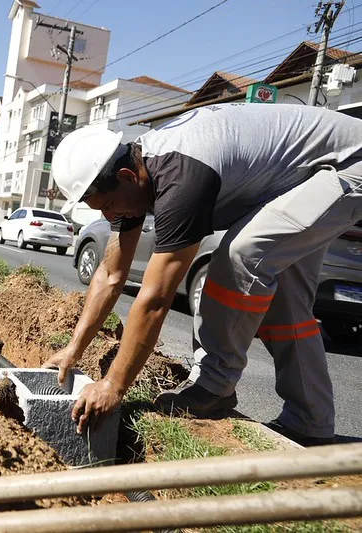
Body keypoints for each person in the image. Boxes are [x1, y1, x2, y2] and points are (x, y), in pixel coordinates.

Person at [43, 103, 362, 447]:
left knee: (241, 255)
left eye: (107, 206)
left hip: (346, 165)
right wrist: (73, 350)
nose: (109, 217)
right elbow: (109, 274)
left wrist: (114, 386)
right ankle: (310, 422)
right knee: (287, 305)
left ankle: (214, 385)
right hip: (302, 177)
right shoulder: (135, 175)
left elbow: (155, 299)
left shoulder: (180, 175)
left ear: (126, 177)